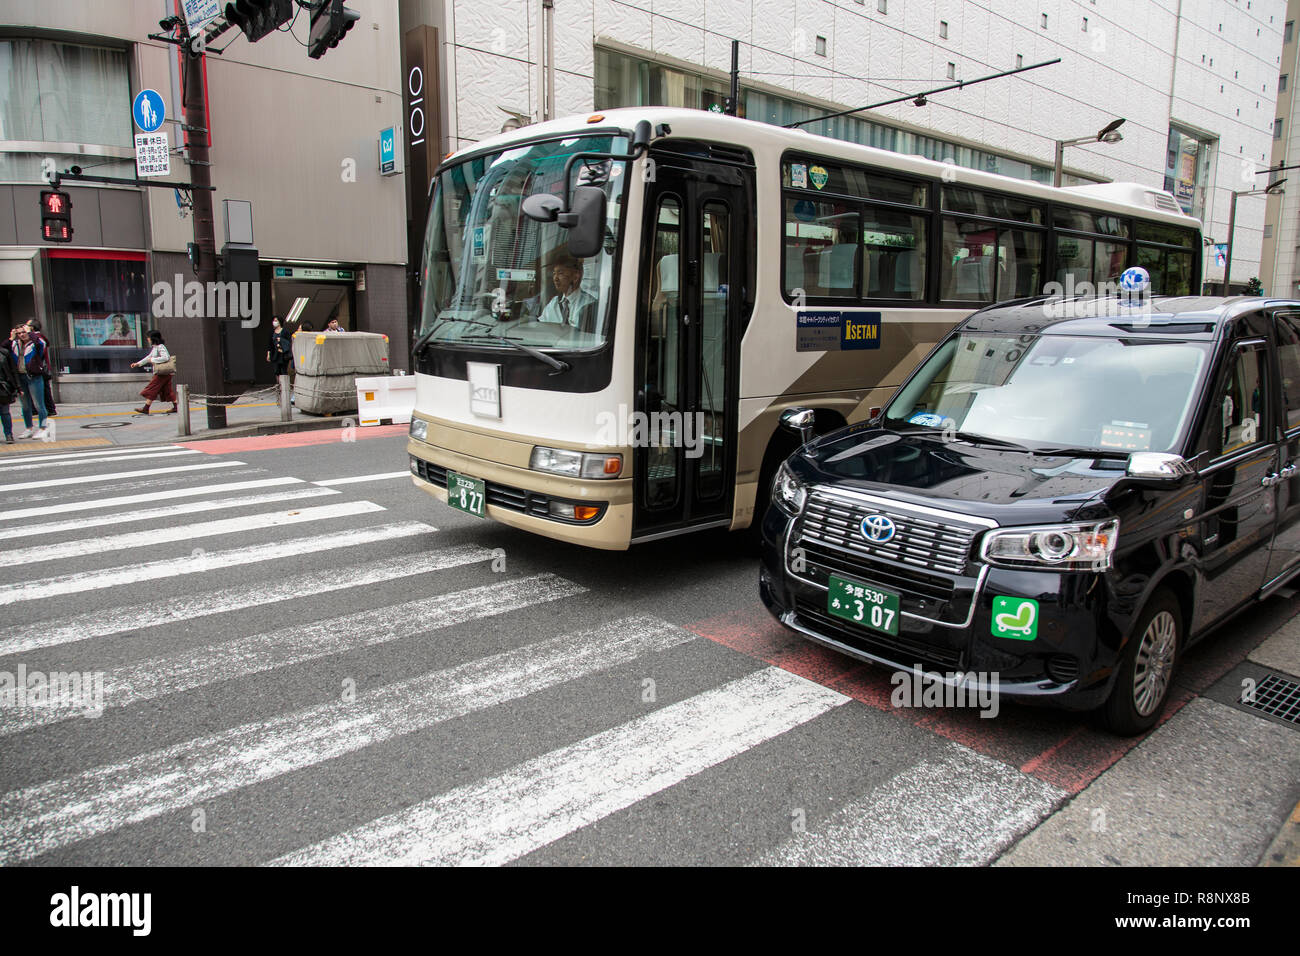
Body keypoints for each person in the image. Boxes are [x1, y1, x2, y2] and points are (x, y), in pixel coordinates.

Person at [10, 324, 49, 438]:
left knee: (39, 404)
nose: (21, 335)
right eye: (19, 333)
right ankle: (28, 428)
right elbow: (4, 346)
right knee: (25, 405)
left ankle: (43, 428)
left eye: (23, 332)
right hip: (21, 377)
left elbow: (42, 344)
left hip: (34, 377)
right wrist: (12, 337)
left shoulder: (35, 343)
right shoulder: (15, 344)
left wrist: (30, 333)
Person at [537, 257, 596, 330]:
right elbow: (540, 326)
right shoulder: (554, 303)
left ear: (575, 277)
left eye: (560, 273)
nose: (555, 278)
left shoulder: (589, 304)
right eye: (554, 274)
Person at [131, 330, 178, 415]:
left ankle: (146, 408)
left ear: (153, 338)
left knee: (152, 388)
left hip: (162, 374)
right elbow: (148, 357)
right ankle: (176, 407)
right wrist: (138, 364)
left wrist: (153, 360)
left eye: (148, 337)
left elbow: (166, 358)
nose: (147, 339)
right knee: (167, 390)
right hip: (165, 374)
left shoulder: (160, 347)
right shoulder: (155, 347)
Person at [25, 318, 55, 417]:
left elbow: (40, 350)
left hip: (40, 367)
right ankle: (40, 409)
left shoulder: (38, 338)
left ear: (32, 328)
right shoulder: (37, 337)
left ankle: (50, 409)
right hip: (39, 367)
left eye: (27, 325)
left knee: (44, 389)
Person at [0, 329, 19, 443]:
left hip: (3, 387)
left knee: (5, 412)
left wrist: (17, 387)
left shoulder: (4, 353)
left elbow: (12, 371)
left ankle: (8, 434)